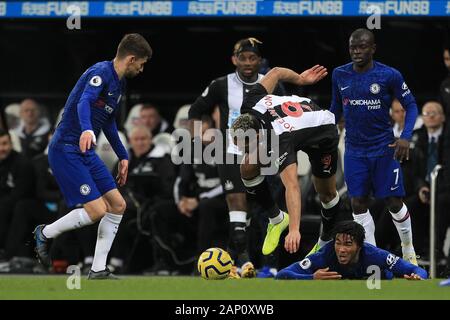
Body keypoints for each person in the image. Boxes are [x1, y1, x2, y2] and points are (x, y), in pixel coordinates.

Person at [32, 33, 152, 279]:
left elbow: (108, 122)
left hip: (85, 151)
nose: (142, 69)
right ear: (131, 59)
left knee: (118, 205)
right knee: (97, 210)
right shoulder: (100, 72)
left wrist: (123, 155)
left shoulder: (120, 84)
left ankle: (98, 269)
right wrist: (87, 129)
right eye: (141, 63)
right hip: (66, 148)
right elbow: (84, 101)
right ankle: (44, 233)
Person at [188, 37, 284, 277]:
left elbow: (283, 112)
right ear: (234, 60)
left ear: (260, 61)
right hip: (229, 152)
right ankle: (243, 261)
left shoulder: (271, 83)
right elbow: (196, 110)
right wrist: (205, 131)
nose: (248, 63)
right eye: (243, 58)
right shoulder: (221, 85)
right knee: (238, 206)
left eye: (253, 58)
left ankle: (262, 264)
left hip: (262, 153)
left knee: (260, 211)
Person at [231, 64, 345, 257]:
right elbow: (276, 72)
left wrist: (294, 229)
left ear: (258, 136)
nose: (242, 150)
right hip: (294, 122)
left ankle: (324, 242)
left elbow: (292, 186)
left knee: (326, 194)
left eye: (246, 145)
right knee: (247, 167)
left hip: (322, 132)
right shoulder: (249, 103)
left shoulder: (279, 140)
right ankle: (276, 219)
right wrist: (300, 79)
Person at [329, 28, 419, 264]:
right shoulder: (340, 74)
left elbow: (411, 105)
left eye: (362, 47)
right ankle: (371, 256)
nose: (356, 51)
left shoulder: (389, 75)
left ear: (373, 48)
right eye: (352, 47)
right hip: (355, 150)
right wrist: (325, 132)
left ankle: (408, 249)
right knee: (357, 202)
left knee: (394, 202)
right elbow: (335, 109)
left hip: (384, 148)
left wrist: (406, 136)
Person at [276, 221, 427, 280]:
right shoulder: (324, 256)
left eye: (348, 244)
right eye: (338, 243)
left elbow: (416, 270)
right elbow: (282, 275)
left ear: (360, 246)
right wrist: (312, 278)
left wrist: (417, 277)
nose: (341, 249)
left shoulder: (375, 255)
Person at [0, 129, 35, 261]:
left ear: (10, 144)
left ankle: (6, 254)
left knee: (7, 207)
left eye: (5, 144)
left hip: (22, 203)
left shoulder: (22, 163)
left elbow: (21, 193)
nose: (2, 148)